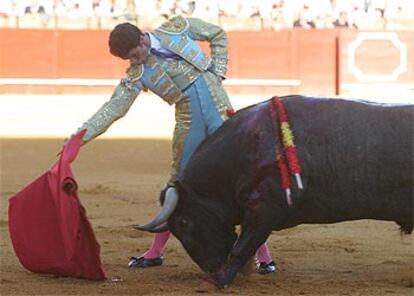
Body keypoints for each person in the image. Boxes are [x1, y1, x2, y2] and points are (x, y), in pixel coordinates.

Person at [71, 15, 275, 274]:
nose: (134, 62)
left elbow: (218, 34)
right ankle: (155, 252)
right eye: (129, 59)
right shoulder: (138, 73)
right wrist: (81, 136)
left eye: (135, 54)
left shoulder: (177, 28)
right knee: (178, 184)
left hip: (222, 113)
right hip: (189, 122)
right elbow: (114, 108)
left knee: (244, 181)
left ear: (143, 39)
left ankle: (263, 256)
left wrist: (219, 71)